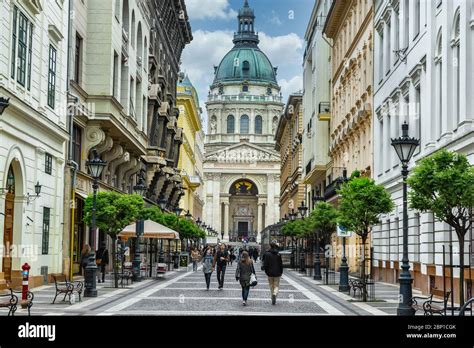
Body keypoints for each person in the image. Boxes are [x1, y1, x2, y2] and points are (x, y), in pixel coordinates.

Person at [262, 240, 283, 305]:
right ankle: (274, 294)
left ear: (270, 246)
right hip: (277, 273)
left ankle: (272, 297)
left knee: (271, 286)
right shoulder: (278, 254)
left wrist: (266, 271)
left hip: (270, 273)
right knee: (276, 286)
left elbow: (265, 264)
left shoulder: (267, 254)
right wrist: (281, 271)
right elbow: (280, 264)